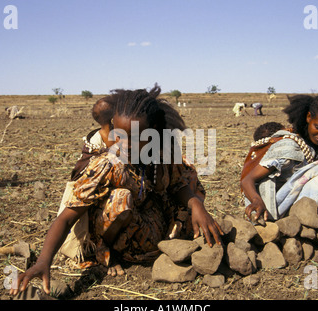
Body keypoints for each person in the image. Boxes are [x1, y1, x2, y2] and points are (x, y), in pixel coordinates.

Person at [11, 85, 223, 295]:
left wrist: (196, 204)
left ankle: (173, 248)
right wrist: (43, 262)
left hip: (154, 231)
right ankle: (108, 256)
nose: (124, 144)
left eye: (135, 137)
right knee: (121, 198)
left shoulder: (162, 155)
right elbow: (66, 218)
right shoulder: (108, 164)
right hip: (122, 242)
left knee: (189, 178)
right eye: (119, 135)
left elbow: (178, 184)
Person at [241, 93, 318, 222]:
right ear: (308, 117)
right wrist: (256, 201)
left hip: (301, 199)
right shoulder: (289, 147)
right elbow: (247, 180)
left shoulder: (316, 145)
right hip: (278, 210)